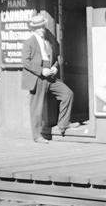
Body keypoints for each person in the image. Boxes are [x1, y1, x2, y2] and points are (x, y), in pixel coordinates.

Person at [21, 10, 73, 142]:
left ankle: (63, 125)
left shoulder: (48, 42)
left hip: (50, 76)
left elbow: (55, 57)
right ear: (33, 28)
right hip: (37, 77)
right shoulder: (29, 42)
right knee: (37, 108)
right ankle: (37, 136)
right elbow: (25, 62)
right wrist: (41, 71)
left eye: (43, 26)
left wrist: (55, 67)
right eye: (39, 27)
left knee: (67, 94)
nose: (42, 29)